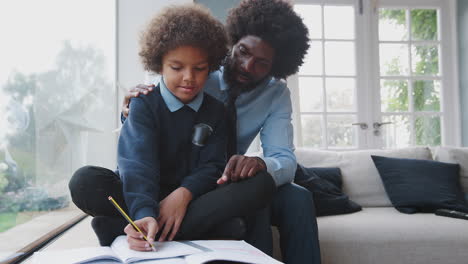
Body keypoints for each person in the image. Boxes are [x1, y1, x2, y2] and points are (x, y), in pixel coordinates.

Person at [124, 0, 322, 263]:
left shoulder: (276, 94)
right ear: (233, 40)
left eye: (262, 63)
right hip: (185, 177)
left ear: (277, 66)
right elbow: (146, 129)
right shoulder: (195, 70)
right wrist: (131, 110)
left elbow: (285, 159)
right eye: (242, 51)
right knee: (254, 203)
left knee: (298, 197)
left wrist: (259, 164)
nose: (247, 66)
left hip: (230, 181)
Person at [69, 3, 276, 251]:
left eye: (199, 69)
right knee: (84, 181)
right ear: (159, 65)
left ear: (210, 66)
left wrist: (183, 194)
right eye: (177, 68)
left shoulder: (217, 111)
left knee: (261, 183)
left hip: (193, 199)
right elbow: (137, 165)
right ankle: (201, 229)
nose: (189, 77)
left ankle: (117, 228)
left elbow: (213, 166)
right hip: (144, 193)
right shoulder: (143, 104)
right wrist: (144, 212)